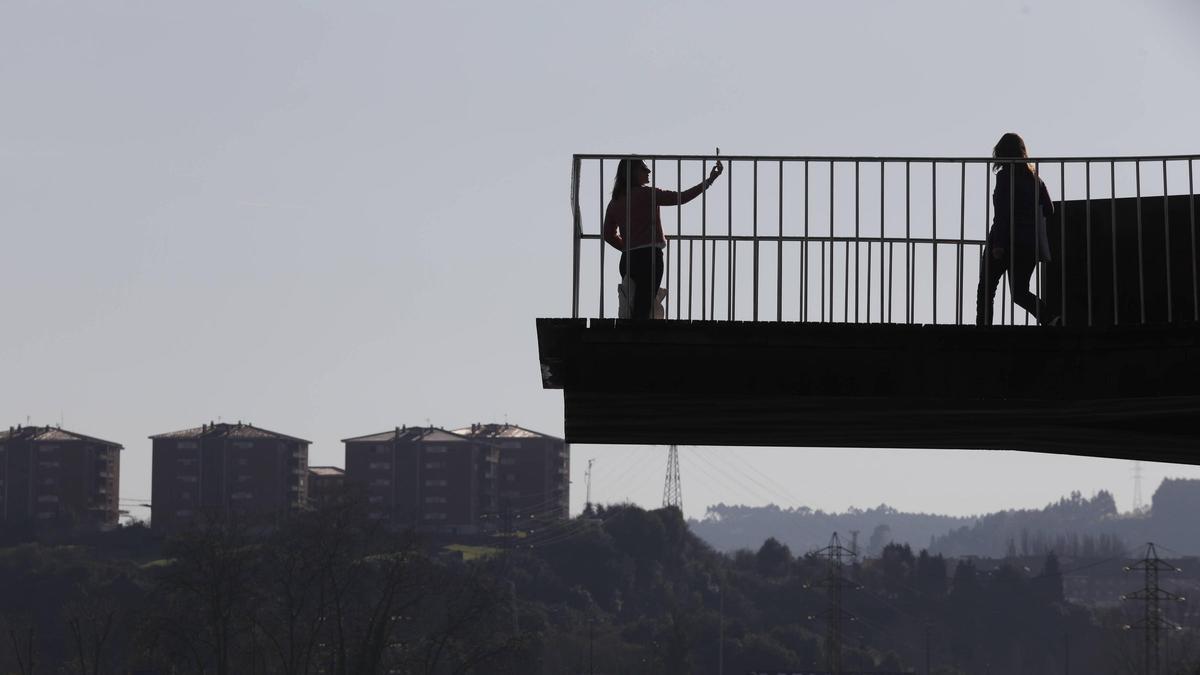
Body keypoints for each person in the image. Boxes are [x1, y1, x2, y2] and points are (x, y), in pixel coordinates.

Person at [603, 158, 723, 319]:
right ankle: (635, 340)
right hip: (649, 257)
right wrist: (709, 181)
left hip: (627, 259)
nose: (648, 171)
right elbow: (680, 197)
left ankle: (628, 337)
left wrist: (627, 246)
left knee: (630, 303)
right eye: (644, 169)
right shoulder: (647, 194)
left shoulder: (615, 201)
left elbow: (608, 235)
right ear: (632, 173)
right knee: (644, 305)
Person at [976, 132, 1058, 326]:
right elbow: (1049, 209)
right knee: (1020, 293)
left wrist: (998, 244)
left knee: (986, 289)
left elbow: (1003, 212)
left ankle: (982, 329)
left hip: (1003, 240)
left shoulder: (1005, 176)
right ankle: (1050, 318)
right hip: (1028, 244)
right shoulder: (1036, 179)